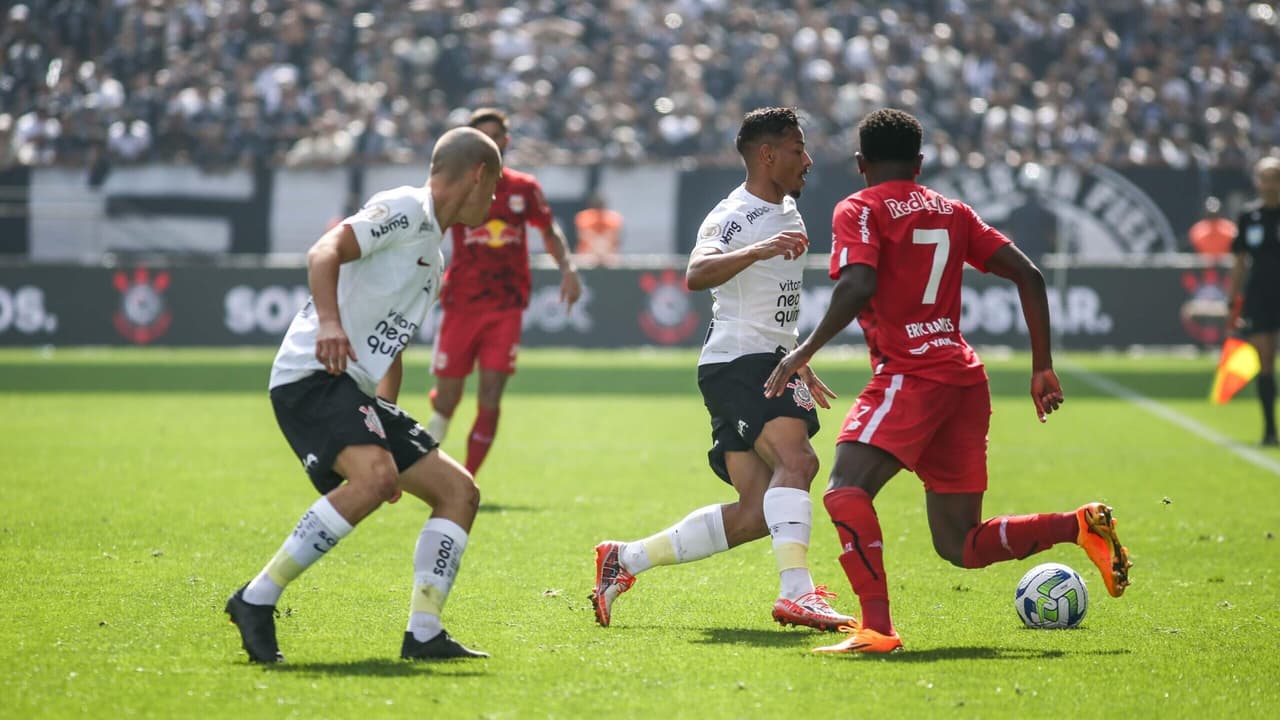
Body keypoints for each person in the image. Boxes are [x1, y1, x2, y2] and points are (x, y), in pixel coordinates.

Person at [764, 108, 1132, 654]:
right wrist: (1042, 366)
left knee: (845, 492)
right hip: (964, 378)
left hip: (911, 373)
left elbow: (859, 283)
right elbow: (1028, 275)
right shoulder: (952, 210)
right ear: (919, 162)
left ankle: (877, 629)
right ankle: (1077, 525)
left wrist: (805, 350)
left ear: (862, 163)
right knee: (959, 542)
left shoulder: (859, 207)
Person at [224, 127, 502, 663]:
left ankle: (423, 632)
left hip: (352, 386)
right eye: (492, 189)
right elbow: (324, 251)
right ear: (477, 175)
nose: (492, 202)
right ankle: (255, 599)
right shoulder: (406, 208)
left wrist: (384, 412)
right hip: (312, 373)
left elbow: (389, 343)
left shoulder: (433, 255)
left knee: (459, 493)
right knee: (373, 480)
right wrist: (329, 323)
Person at [591, 107, 855, 632]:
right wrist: (758, 249)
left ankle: (625, 559)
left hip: (763, 358)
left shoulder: (788, 209)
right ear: (767, 154)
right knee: (798, 462)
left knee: (757, 511)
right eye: (798, 149)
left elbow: (767, 299)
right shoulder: (733, 215)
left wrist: (797, 356)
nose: (807, 160)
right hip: (740, 360)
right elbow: (696, 273)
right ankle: (798, 594)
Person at [409, 108, 582, 479]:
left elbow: (549, 231)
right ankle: (419, 467)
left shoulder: (524, 188)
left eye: (496, 138)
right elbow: (429, 229)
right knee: (448, 399)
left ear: (505, 142)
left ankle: (465, 477)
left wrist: (568, 269)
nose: (490, 145)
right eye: (482, 139)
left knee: (491, 394)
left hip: (506, 306)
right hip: (461, 303)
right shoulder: (457, 186)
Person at [1228, 156, 1280, 446]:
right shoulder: (1249, 216)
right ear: (1257, 182)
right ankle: (1270, 429)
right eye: (1266, 177)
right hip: (1260, 295)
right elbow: (1240, 262)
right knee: (1266, 361)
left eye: (1275, 177)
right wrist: (1232, 301)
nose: (1270, 184)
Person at [573, 192, 624, 266]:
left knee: (611, 260)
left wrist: (601, 252)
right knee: (588, 259)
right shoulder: (584, 217)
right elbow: (585, 235)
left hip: (609, 257)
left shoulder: (613, 219)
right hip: (587, 256)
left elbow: (613, 237)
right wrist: (598, 252)